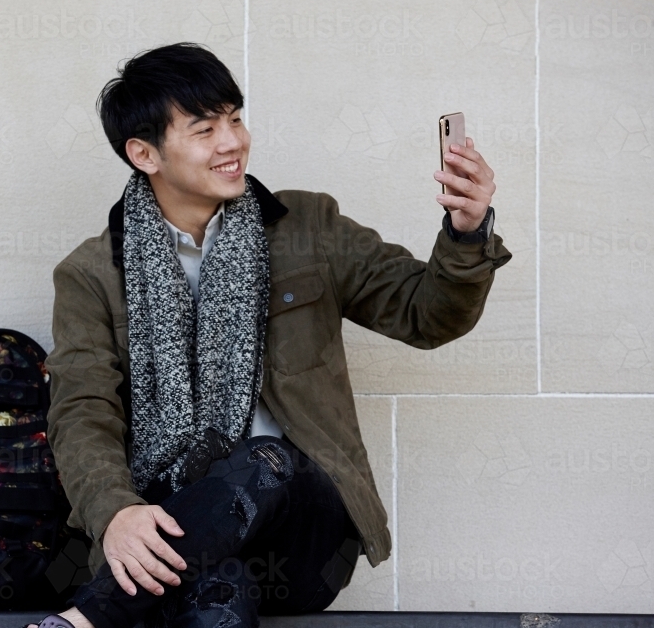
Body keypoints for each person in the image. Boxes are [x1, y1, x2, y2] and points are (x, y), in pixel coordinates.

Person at [25, 43, 512, 628]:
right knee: (216, 593)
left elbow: (426, 315)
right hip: (175, 528)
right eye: (205, 129)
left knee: (266, 458)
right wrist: (116, 515)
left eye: (234, 118)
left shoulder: (309, 228)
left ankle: (86, 621)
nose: (232, 142)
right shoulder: (92, 274)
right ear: (144, 153)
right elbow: (82, 413)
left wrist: (466, 233)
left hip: (307, 540)